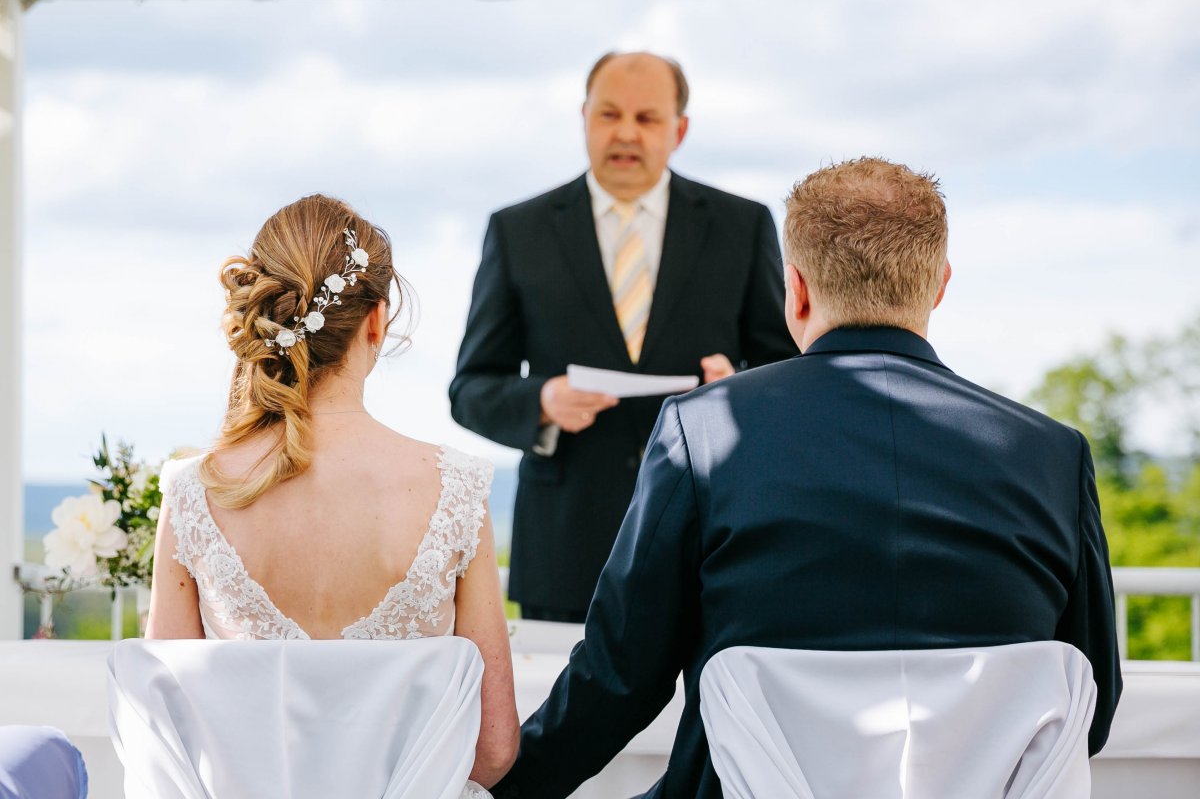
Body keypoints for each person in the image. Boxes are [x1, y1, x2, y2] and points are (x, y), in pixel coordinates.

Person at [491, 158, 1122, 798]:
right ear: (939, 285)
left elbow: (621, 678)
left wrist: (498, 792)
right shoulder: (1053, 454)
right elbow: (1088, 704)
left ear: (794, 289)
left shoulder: (702, 432)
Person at [145, 195, 519, 791]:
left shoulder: (195, 493)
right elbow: (493, 748)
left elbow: (165, 730)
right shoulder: (455, 487)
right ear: (376, 319)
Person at [449, 52, 798, 622]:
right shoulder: (519, 231)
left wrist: (739, 393)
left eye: (647, 118)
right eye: (609, 114)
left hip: (709, 542)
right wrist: (540, 403)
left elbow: (788, 370)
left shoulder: (744, 225)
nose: (626, 133)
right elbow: (470, 389)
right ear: (584, 117)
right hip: (566, 553)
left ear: (679, 129)